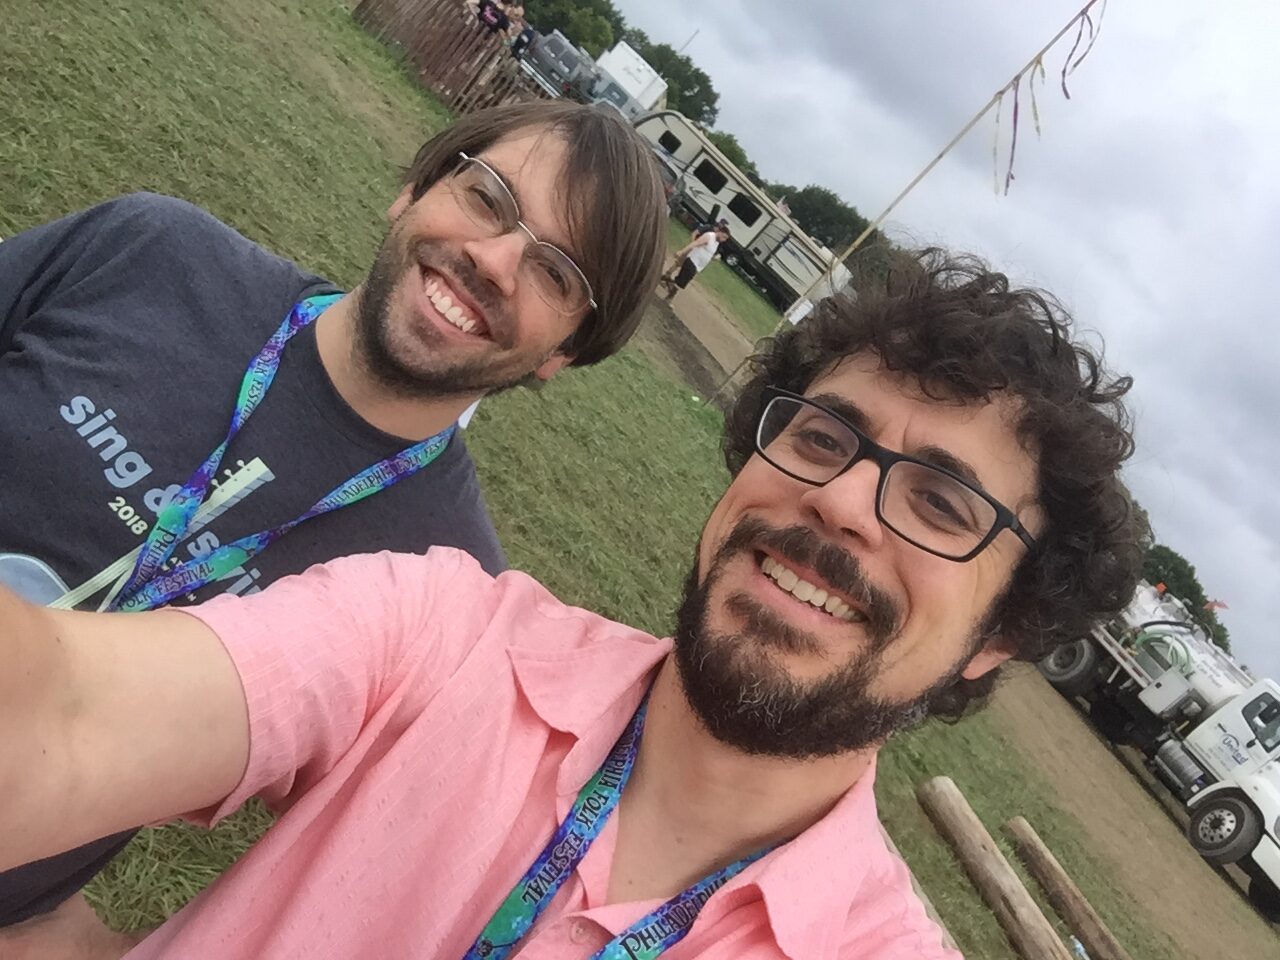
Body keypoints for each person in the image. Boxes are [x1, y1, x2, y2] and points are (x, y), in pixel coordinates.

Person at [0, 248, 1143, 958]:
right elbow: (58, 719)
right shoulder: (445, 634)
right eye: (820, 435)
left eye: (939, 505)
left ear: (1000, 632)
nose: (839, 499)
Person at [0, 99, 667, 956]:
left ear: (563, 353)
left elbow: (369, 903)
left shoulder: (444, 598)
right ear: (417, 189)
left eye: (556, 274)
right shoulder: (151, 253)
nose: (495, 261)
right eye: (490, 198)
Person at [661, 222, 730, 300]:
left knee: (682, 283)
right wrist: (682, 251)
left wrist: (714, 258)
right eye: (724, 237)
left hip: (697, 266)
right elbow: (695, 243)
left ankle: (668, 292)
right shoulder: (709, 236)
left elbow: (708, 254)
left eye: (725, 239)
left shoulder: (716, 243)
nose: (724, 240)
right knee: (680, 281)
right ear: (720, 232)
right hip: (692, 261)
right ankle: (667, 284)